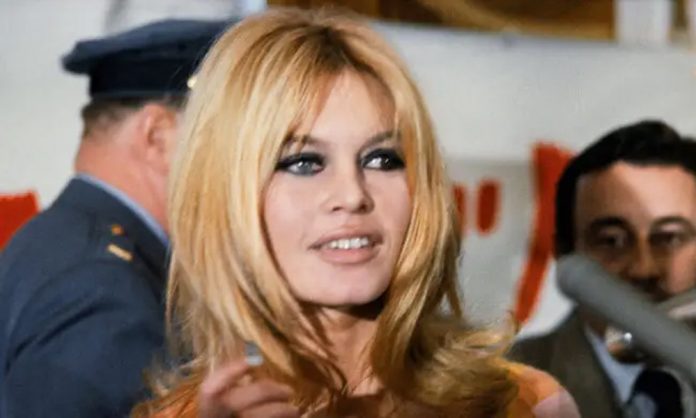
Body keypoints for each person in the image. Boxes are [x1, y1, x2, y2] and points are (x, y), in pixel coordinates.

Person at [132, 8, 579, 418]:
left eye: (382, 159)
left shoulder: (526, 404)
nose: (352, 195)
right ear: (227, 194)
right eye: (303, 163)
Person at [0, 19, 228, 418]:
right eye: (224, 138)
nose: (237, 164)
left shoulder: (60, 242)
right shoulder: (101, 287)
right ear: (156, 136)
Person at [510, 120, 696, 418]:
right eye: (612, 241)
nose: (643, 268)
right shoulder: (498, 390)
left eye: (669, 238)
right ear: (564, 253)